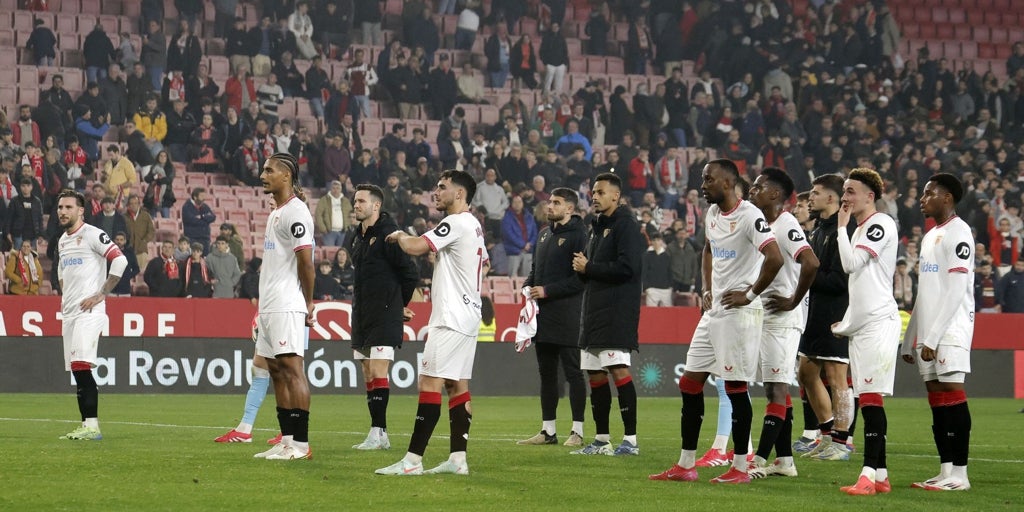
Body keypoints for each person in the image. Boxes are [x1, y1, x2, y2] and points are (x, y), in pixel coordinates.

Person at [650, 159, 783, 484]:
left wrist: (750, 294)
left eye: (708, 180)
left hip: (740, 314)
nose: (703, 184)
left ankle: (739, 468)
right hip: (714, 313)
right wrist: (707, 288)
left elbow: (775, 257)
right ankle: (686, 465)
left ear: (727, 183)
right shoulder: (711, 215)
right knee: (689, 383)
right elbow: (708, 251)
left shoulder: (750, 216)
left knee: (736, 388)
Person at [377, 170, 488, 476]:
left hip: (450, 317)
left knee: (429, 382)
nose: (435, 192)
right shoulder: (474, 226)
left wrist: (400, 235)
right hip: (468, 315)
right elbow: (484, 264)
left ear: (460, 193)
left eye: (442, 187)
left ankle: (412, 461)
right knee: (456, 385)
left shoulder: (455, 221)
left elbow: (414, 247)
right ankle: (457, 459)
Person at [900, 174, 975, 491]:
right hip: (928, 332)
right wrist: (910, 336)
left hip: (951, 328)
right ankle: (945, 471)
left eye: (929, 193)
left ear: (947, 198)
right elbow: (925, 293)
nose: (921, 198)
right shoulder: (931, 236)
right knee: (936, 396)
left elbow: (957, 289)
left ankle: (961, 474)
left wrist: (932, 337)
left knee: (951, 391)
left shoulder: (960, 233)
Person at [746, 168, 820, 478]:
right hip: (766, 315)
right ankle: (785, 461)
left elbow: (811, 262)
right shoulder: (762, 224)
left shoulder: (787, 224)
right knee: (774, 390)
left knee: (776, 389)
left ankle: (759, 460)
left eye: (758, 187)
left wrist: (792, 300)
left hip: (783, 319)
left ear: (775, 194)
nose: (752, 190)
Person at [831, 168, 900, 495]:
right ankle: (881, 476)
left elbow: (851, 266)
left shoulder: (880, 224)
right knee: (865, 397)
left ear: (870, 196)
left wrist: (841, 229)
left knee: (871, 399)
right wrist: (846, 323)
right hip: (863, 327)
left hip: (878, 324)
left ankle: (868, 476)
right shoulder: (860, 229)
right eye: (844, 191)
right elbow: (861, 286)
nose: (845, 197)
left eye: (851, 191)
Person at [569, 173, 644, 456]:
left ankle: (631, 440)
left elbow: (629, 268)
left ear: (616, 196)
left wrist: (589, 268)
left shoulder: (626, 226)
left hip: (616, 310)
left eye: (600, 192)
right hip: (592, 310)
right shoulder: (596, 227)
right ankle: (601, 439)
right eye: (593, 193)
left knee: (617, 370)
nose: (595, 197)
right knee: (595, 375)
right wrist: (583, 270)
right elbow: (592, 269)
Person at [250, 153, 316, 461]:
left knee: (292, 369)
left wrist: (309, 303)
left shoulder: (296, 212)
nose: (263, 174)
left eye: (269, 170)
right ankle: (287, 439)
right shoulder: (276, 212)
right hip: (270, 305)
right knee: (276, 370)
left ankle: (301, 445)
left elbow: (307, 263)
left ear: (286, 176)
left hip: (287, 303)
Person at [349, 184, 420, 450]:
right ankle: (378, 433)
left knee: (378, 370)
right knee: (367, 372)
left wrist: (399, 303)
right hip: (362, 313)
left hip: (385, 313)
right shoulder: (355, 236)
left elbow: (410, 274)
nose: (356, 205)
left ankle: (379, 432)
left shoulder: (391, 235)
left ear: (376, 205)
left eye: (361, 201)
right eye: (355, 201)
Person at [54, 189, 129, 440]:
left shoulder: (93, 234)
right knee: (77, 370)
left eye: (68, 207)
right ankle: (87, 425)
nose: (62, 211)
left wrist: (101, 293)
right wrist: (67, 298)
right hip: (71, 313)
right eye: (60, 207)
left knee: (80, 365)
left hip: (91, 310)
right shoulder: (63, 241)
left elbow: (120, 261)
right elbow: (62, 273)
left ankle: (92, 426)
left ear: (81, 210)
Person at [517, 188, 588, 447]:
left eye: (556, 203)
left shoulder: (580, 235)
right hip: (544, 317)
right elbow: (536, 271)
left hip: (568, 314)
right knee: (547, 374)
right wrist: (527, 286)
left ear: (570, 208)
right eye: (550, 201)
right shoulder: (545, 234)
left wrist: (547, 290)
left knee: (573, 373)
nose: (550, 206)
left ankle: (577, 432)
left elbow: (580, 279)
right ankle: (548, 431)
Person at [794, 174, 857, 459]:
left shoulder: (845, 230)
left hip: (836, 312)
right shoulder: (819, 229)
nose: (811, 198)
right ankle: (827, 433)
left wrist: (806, 274)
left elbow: (839, 280)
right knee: (806, 372)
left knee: (835, 375)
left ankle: (842, 444)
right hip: (815, 312)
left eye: (816, 193)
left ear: (831, 198)